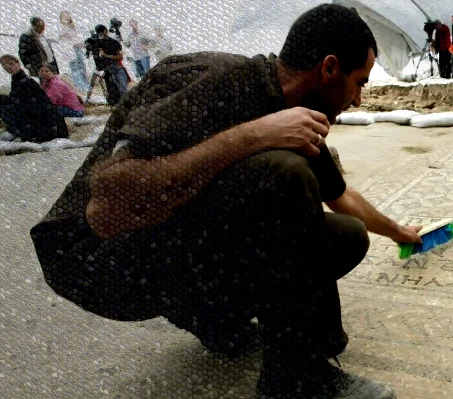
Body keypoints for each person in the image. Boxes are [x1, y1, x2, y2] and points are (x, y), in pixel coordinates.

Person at [31, 4, 420, 399]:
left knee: (345, 235)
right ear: (329, 69)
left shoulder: (296, 117)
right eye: (360, 83)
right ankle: (296, 382)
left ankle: (213, 317)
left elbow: (343, 199)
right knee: (282, 175)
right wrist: (251, 136)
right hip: (93, 262)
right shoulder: (213, 80)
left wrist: (400, 233)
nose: (357, 100)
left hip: (160, 246)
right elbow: (106, 208)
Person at [0, 55, 68, 142]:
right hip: (39, 120)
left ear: (18, 63)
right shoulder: (19, 79)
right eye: (4, 65)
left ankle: (15, 132)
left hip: (44, 126)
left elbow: (29, 105)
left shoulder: (25, 81)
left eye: (11, 64)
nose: (8, 67)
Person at [86, 24, 128, 106]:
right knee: (114, 96)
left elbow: (120, 57)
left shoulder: (112, 42)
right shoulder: (96, 42)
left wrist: (106, 55)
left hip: (113, 69)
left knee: (120, 90)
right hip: (106, 71)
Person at [57, 10, 92, 92]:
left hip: (77, 50)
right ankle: (82, 87)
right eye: (64, 18)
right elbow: (63, 41)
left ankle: (86, 85)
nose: (67, 19)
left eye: (68, 16)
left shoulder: (72, 27)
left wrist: (82, 43)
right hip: (69, 51)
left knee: (82, 67)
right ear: (61, 19)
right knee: (75, 69)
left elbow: (76, 38)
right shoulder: (62, 28)